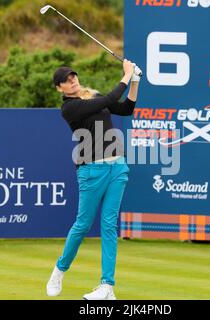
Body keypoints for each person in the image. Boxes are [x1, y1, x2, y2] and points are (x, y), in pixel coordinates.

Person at [46, 59, 141, 300]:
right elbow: (110, 99)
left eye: (73, 77)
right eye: (67, 80)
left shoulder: (92, 96)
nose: (73, 81)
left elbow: (126, 108)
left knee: (109, 226)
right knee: (83, 225)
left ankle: (107, 286)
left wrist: (135, 80)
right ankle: (59, 270)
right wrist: (126, 74)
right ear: (59, 88)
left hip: (117, 167)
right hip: (92, 171)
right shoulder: (69, 109)